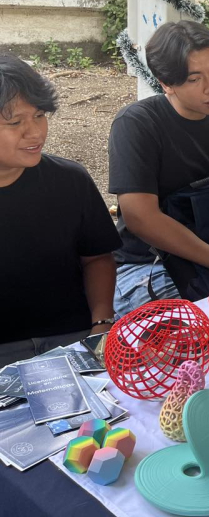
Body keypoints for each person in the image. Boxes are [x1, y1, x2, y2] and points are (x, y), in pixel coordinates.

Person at [108, 21, 209, 315]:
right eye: (194, 79)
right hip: (150, 266)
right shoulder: (137, 124)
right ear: (166, 83)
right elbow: (140, 217)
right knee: (196, 330)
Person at [0, 55, 120, 367]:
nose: (35, 132)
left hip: (73, 337)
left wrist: (102, 325)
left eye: (39, 115)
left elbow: (97, 258)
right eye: (15, 122)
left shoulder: (69, 180)